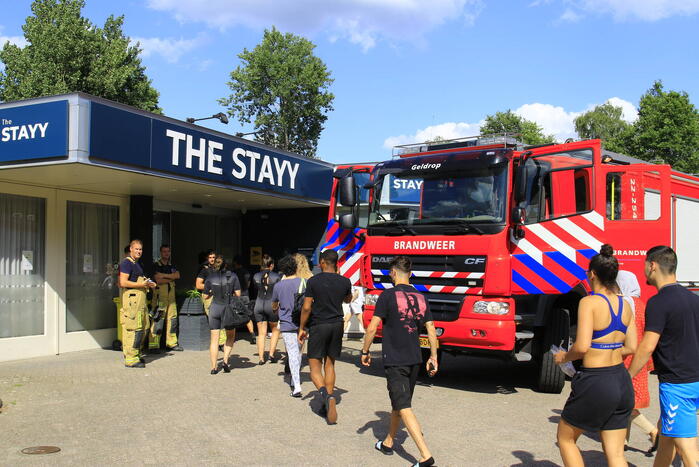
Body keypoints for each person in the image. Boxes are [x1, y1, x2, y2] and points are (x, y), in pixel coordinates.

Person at [554, 244, 637, 467]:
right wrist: (608, 350)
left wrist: (563, 357)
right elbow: (632, 346)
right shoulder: (625, 305)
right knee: (616, 453)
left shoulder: (588, 302)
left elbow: (581, 346)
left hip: (595, 381)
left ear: (592, 274)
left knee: (566, 439)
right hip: (621, 380)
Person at [361, 256, 438, 467]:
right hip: (415, 359)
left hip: (396, 360)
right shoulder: (421, 297)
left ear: (393, 273)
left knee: (403, 405)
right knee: (399, 402)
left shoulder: (387, 296)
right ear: (410, 273)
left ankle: (425, 456)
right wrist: (433, 356)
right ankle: (388, 442)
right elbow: (431, 328)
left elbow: (372, 327)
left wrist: (365, 350)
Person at [628, 246, 699, 467]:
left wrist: (627, 375)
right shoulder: (694, 299)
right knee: (666, 437)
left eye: (645, 266)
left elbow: (647, 346)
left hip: (678, 385)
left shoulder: (658, 303)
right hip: (694, 378)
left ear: (653, 265)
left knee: (687, 448)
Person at [298, 249, 352, 425]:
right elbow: (348, 300)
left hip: (319, 325)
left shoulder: (313, 281)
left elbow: (306, 307)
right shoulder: (345, 281)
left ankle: (326, 396)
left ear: (322, 262)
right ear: (336, 263)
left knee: (314, 368)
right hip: (337, 324)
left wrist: (302, 327)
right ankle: (327, 401)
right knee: (330, 364)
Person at [617, 270, 657, 452]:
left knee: (625, 403)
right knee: (628, 402)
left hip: (627, 358)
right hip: (641, 358)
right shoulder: (641, 304)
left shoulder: (624, 305)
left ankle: (653, 432)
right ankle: (623, 441)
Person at [118, 239, 156, 368]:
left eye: (140, 249)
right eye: (136, 249)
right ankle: (130, 358)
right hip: (132, 301)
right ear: (131, 249)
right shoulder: (126, 263)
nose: (139, 251)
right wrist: (141, 284)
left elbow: (140, 280)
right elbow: (123, 282)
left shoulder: (137, 264)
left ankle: (136, 354)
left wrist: (149, 284)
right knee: (133, 329)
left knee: (144, 327)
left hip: (141, 300)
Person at [272, 255, 305, 397]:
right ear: (295, 267)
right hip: (303, 322)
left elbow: (274, 304)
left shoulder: (279, 286)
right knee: (298, 352)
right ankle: (294, 378)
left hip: (286, 323)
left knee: (291, 353)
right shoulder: (305, 282)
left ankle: (296, 385)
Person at [203, 255, 241, 375]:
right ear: (226, 265)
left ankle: (214, 367)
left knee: (214, 340)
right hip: (228, 308)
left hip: (214, 308)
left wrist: (211, 293)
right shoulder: (233, 276)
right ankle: (225, 360)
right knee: (230, 336)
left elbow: (205, 296)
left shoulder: (210, 277)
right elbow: (238, 294)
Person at [148, 244, 183, 353]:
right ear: (160, 252)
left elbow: (177, 275)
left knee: (172, 320)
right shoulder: (155, 265)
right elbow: (158, 280)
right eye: (164, 251)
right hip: (160, 298)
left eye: (168, 251)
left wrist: (163, 275)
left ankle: (171, 343)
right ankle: (154, 345)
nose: (166, 253)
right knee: (158, 319)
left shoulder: (172, 265)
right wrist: (170, 278)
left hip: (171, 298)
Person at [252, 254, 281, 364]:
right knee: (275, 330)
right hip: (271, 305)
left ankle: (261, 358)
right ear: (272, 265)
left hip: (259, 304)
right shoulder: (276, 276)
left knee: (261, 333)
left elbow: (255, 289)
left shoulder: (255, 276)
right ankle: (271, 354)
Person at [196, 250, 226, 347]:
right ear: (207, 259)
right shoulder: (204, 270)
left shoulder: (218, 269)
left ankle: (222, 341)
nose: (212, 259)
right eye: (210, 257)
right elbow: (198, 285)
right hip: (209, 297)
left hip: (219, 297)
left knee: (222, 318)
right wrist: (212, 287)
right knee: (214, 319)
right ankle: (220, 342)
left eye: (214, 257)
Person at [232, 255, 256, 341]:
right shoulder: (247, 272)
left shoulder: (233, 273)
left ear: (235, 262)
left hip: (235, 296)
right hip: (245, 295)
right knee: (247, 316)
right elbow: (248, 285)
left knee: (233, 316)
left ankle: (232, 337)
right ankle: (252, 334)